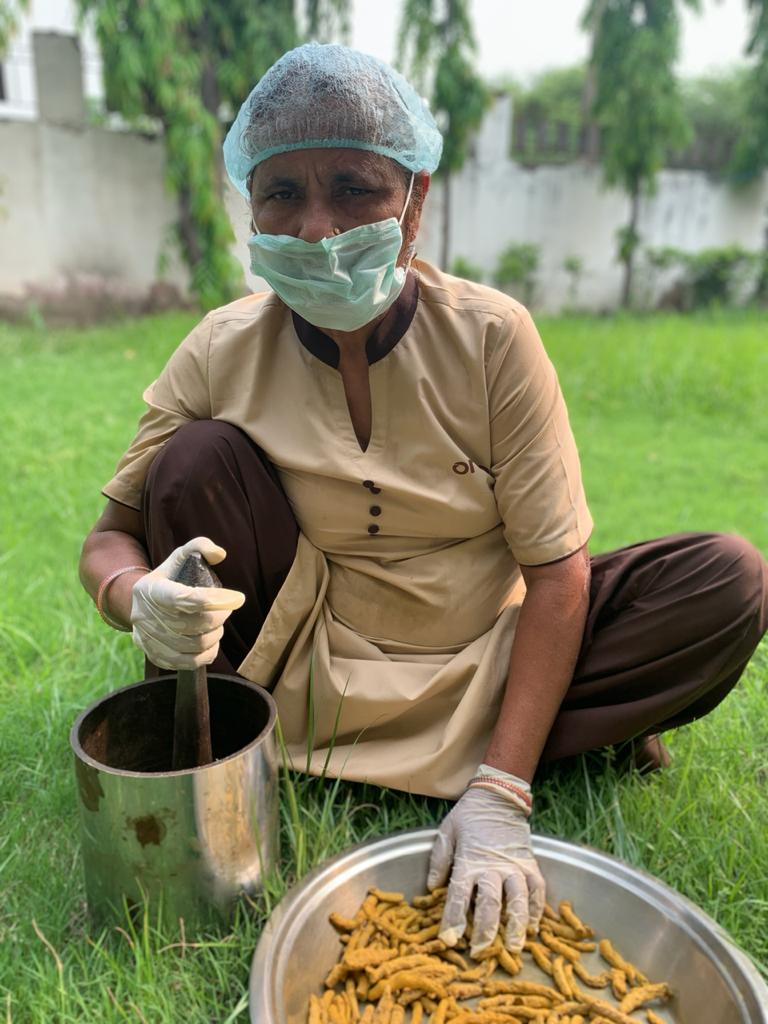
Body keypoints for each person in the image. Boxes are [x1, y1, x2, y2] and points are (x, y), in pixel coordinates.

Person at [79, 42, 768, 957]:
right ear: (251, 204)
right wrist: (139, 599)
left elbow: (557, 579)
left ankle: (505, 756)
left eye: (355, 188)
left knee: (726, 579)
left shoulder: (491, 338)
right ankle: (569, 734)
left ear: (416, 200)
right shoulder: (221, 346)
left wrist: (503, 795)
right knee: (193, 460)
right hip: (302, 658)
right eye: (282, 193)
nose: (318, 228)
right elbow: (110, 537)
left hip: (487, 647)